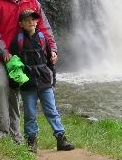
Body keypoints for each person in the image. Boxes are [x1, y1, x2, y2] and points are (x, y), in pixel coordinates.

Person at [0, 0, 58, 143]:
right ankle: (1, 131)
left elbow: (44, 27)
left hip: (24, 57)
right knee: (2, 86)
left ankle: (16, 133)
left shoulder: (32, 2)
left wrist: (52, 49)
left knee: (16, 91)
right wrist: (4, 52)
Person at [9, 9, 75, 152]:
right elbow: (14, 65)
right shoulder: (17, 42)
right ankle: (31, 142)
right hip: (27, 84)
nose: (30, 22)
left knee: (52, 111)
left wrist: (54, 81)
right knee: (30, 114)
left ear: (37, 21)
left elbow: (50, 63)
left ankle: (61, 139)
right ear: (21, 24)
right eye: (27, 20)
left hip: (45, 82)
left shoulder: (43, 39)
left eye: (33, 19)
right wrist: (14, 84)